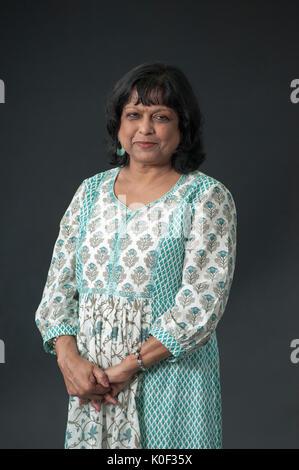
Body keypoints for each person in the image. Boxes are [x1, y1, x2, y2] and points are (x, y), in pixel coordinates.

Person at [35, 62, 237, 449]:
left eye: (160, 116)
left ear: (183, 129)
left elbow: (200, 305)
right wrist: (70, 362)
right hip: (92, 386)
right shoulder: (90, 192)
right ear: (118, 125)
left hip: (171, 381)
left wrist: (127, 368)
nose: (145, 128)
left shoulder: (204, 197)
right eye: (133, 115)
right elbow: (58, 288)